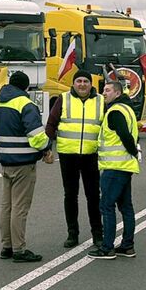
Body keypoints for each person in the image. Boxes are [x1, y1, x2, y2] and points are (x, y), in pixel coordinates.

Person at [0, 71, 52, 263]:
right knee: (20, 207)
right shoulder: (26, 104)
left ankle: (6, 246)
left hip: (5, 160)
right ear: (26, 87)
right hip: (23, 162)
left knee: (6, 206)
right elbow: (36, 135)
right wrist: (47, 149)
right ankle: (19, 249)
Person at [45, 70, 104, 248]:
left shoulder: (101, 101)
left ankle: (97, 234)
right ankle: (72, 234)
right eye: (78, 81)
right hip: (68, 156)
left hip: (92, 155)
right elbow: (51, 124)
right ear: (73, 83)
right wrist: (47, 148)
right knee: (70, 196)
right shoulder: (63, 99)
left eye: (86, 81)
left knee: (93, 196)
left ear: (91, 84)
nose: (82, 84)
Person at [88, 81, 140, 259]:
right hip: (125, 166)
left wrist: (132, 150)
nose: (104, 93)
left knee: (107, 206)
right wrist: (133, 153)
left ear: (117, 93)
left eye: (108, 90)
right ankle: (127, 246)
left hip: (114, 167)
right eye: (104, 90)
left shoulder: (115, 111)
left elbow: (125, 135)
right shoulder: (127, 110)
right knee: (126, 207)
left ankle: (107, 247)